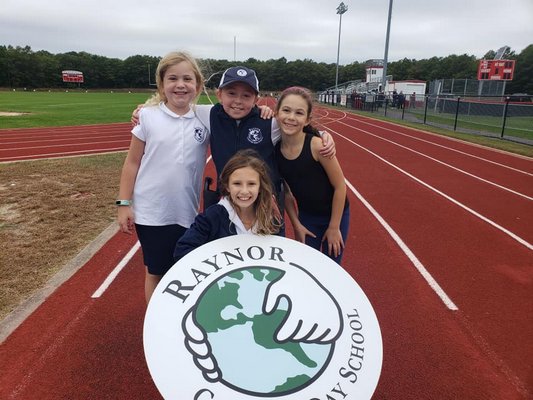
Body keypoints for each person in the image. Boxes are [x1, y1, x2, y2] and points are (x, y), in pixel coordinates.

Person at [116, 51, 211, 303]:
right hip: (152, 212)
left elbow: (241, 114)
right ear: (161, 84)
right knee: (156, 272)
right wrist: (123, 204)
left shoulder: (206, 116)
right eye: (172, 79)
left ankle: (176, 325)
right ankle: (155, 326)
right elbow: (131, 163)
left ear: (198, 85)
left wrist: (266, 114)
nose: (180, 85)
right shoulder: (148, 116)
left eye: (187, 79)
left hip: (187, 211)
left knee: (184, 272)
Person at [275, 86, 350, 264]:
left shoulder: (317, 146)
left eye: (299, 113)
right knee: (309, 267)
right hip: (307, 218)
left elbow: (340, 186)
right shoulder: (275, 151)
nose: (291, 117)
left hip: (334, 216)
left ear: (307, 119)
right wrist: (297, 225)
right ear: (277, 113)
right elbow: (285, 194)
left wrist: (334, 227)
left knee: (331, 267)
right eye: (286, 110)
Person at [173, 149, 280, 261]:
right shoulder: (212, 216)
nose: (244, 191)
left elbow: (283, 251)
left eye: (251, 184)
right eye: (237, 184)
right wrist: (218, 261)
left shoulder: (272, 217)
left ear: (260, 187)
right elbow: (182, 250)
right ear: (227, 186)